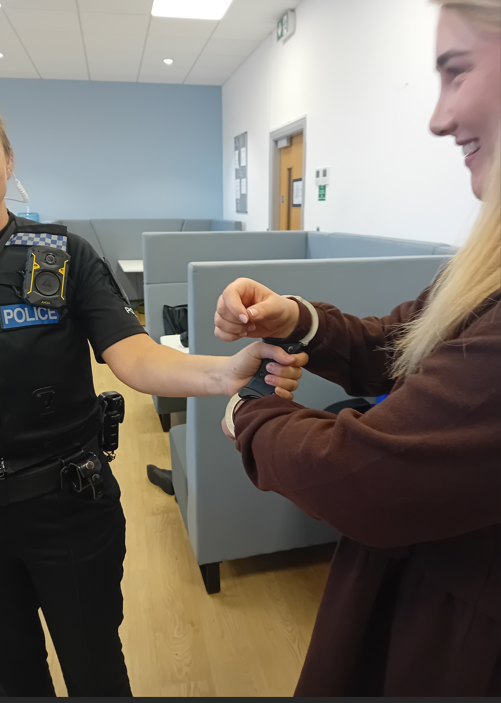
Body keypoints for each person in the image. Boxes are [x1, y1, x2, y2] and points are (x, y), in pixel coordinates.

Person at [0, 93, 308, 698]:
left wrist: (225, 374)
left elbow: (133, 353)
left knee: (96, 670)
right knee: (12, 677)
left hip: (67, 506)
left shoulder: (62, 256)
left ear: (8, 159)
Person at [215, 0, 500, 696]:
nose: (437, 118)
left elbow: (365, 477)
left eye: (457, 72)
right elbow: (401, 344)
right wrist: (295, 318)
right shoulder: (484, 266)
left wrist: (249, 416)